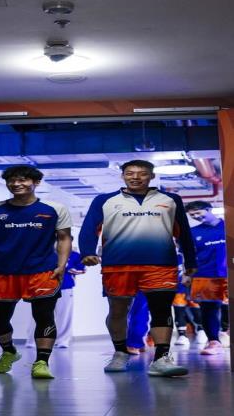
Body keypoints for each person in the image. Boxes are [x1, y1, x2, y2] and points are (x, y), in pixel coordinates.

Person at [79, 160, 197, 377]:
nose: (135, 177)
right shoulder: (104, 200)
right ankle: (120, 352)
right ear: (122, 176)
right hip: (117, 264)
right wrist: (87, 251)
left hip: (161, 264)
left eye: (142, 173)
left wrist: (190, 261)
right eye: (130, 173)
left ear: (151, 176)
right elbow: (89, 228)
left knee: (161, 310)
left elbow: (184, 232)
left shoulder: (171, 199)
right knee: (118, 310)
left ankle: (161, 358)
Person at [0, 165, 72, 379]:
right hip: (1, 272)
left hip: (42, 271)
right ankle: (9, 351)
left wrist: (62, 265)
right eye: (11, 180)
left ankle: (42, 362)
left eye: (22, 180)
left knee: (44, 316)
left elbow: (64, 237)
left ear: (36, 182)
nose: (16, 184)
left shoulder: (54, 208)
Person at [185, 200, 228, 354]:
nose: (196, 216)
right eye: (192, 215)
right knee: (208, 309)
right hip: (204, 274)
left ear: (209, 209)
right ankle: (213, 342)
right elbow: (189, 256)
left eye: (198, 213)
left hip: (228, 272)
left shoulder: (228, 226)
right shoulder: (192, 232)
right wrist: (187, 274)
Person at [25, 244, 86, 348]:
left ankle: (63, 341)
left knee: (64, 315)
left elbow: (82, 269)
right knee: (39, 314)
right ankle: (32, 340)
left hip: (65, 287)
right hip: (44, 287)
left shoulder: (74, 255)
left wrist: (66, 267)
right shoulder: (44, 253)